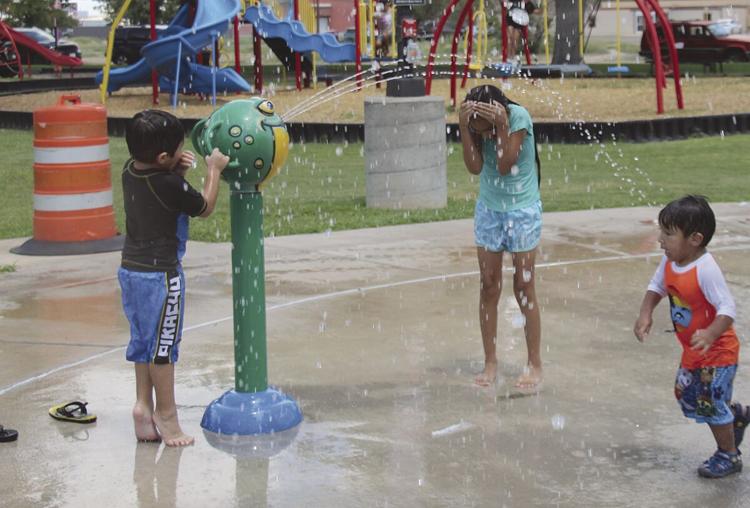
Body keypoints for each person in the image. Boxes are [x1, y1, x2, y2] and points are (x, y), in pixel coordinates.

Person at [119, 110, 229, 446]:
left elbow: (163, 195)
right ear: (163, 157)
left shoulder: (129, 170)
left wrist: (175, 168)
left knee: (142, 342)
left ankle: (142, 406)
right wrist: (213, 169)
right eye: (176, 151)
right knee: (163, 348)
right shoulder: (168, 183)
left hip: (130, 272)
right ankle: (167, 416)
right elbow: (204, 206)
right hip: (162, 278)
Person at [634, 195, 749, 478]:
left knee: (708, 404)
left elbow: (727, 309)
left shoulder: (705, 269)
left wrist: (711, 333)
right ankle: (736, 415)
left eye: (669, 234)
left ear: (695, 239)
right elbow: (656, 286)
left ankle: (728, 455)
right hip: (694, 351)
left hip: (718, 352)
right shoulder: (671, 261)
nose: (661, 239)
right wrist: (645, 313)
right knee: (686, 394)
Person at [458, 84, 543, 390]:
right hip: (490, 211)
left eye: (483, 128)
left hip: (522, 211)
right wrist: (464, 128)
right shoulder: (473, 126)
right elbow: (474, 166)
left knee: (524, 286)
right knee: (489, 285)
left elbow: (506, 165)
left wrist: (503, 126)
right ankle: (490, 361)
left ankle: (534, 363)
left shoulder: (517, 117)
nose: (481, 134)